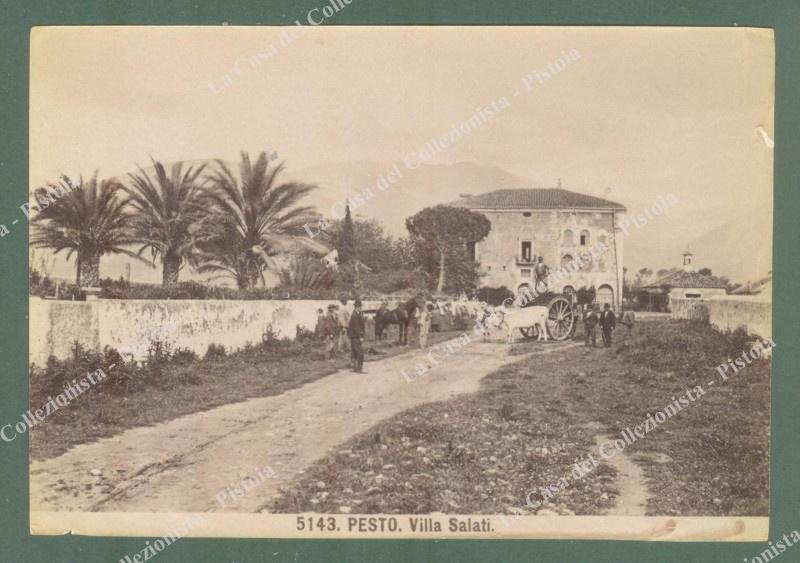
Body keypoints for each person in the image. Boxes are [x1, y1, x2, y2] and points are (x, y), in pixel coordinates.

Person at [348, 299, 366, 373]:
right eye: (359, 306)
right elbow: (356, 327)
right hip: (355, 336)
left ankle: (353, 368)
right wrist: (360, 336)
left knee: (354, 352)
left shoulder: (357, 313)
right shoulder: (355, 315)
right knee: (360, 352)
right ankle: (359, 368)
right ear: (356, 307)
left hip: (353, 336)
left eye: (360, 306)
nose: (360, 307)